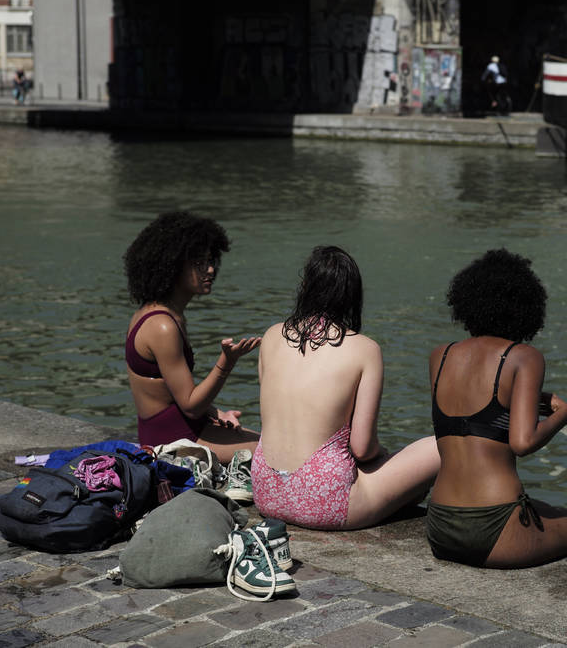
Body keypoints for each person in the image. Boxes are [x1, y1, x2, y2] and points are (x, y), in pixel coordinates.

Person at [426, 249, 567, 568]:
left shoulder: (440, 356)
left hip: (440, 524)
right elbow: (521, 442)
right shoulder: (524, 356)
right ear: (526, 307)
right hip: (493, 529)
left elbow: (471, 418)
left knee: (547, 512)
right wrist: (562, 414)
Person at [251, 246, 440, 530]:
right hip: (325, 505)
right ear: (352, 296)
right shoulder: (364, 349)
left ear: (305, 287)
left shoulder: (271, 336)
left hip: (266, 494)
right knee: (441, 445)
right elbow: (362, 448)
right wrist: (383, 457)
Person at [123, 211, 261, 478]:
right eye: (198, 263)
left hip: (183, 428)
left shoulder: (163, 313)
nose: (210, 270)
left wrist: (217, 412)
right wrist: (226, 362)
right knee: (277, 452)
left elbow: (168, 393)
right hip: (172, 441)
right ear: (172, 266)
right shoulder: (161, 325)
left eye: (211, 261)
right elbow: (189, 404)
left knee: (273, 441)